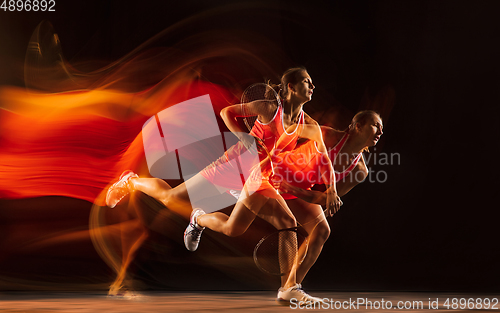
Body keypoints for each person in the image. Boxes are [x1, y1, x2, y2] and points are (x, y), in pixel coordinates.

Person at [105, 68, 341, 301]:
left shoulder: (307, 124)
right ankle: (132, 181)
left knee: (255, 227)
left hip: (258, 177)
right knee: (171, 198)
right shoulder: (269, 108)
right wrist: (246, 137)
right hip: (231, 166)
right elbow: (228, 113)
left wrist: (331, 188)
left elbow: (324, 159)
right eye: (307, 82)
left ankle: (286, 288)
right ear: (291, 87)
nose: (312, 87)